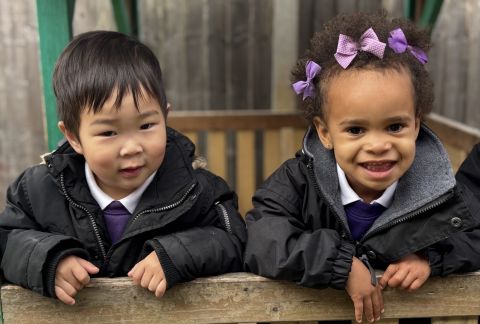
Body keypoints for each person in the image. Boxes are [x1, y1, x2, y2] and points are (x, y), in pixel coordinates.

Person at [244, 12, 480, 323]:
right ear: (325, 133)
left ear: (416, 124)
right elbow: (262, 236)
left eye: (395, 126)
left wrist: (430, 258)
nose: (379, 145)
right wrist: (340, 264)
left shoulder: (436, 189)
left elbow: (473, 233)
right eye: (356, 130)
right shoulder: (301, 181)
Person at [0, 31, 246, 305]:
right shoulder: (38, 191)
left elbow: (235, 239)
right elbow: (7, 240)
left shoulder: (197, 190)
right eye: (108, 133)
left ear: (165, 117)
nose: (131, 147)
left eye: (146, 126)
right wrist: (47, 259)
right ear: (73, 137)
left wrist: (177, 254)